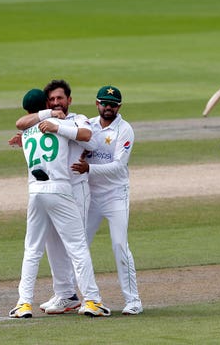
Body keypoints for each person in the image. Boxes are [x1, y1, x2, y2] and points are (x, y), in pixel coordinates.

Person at [9, 88, 110, 318]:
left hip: (35, 191)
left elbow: (22, 123)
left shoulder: (27, 131)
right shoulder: (57, 125)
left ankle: (24, 303)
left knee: (32, 250)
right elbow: (84, 137)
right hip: (60, 188)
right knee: (77, 247)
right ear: (46, 104)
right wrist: (56, 122)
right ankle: (92, 300)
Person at [71, 85, 143, 315]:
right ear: (96, 104)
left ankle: (133, 301)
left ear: (119, 106)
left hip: (115, 196)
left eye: (112, 104)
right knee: (79, 246)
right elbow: (66, 138)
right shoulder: (88, 126)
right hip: (90, 196)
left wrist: (88, 168)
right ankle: (69, 296)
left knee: (119, 245)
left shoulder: (125, 130)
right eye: (104, 103)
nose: (108, 107)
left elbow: (118, 166)